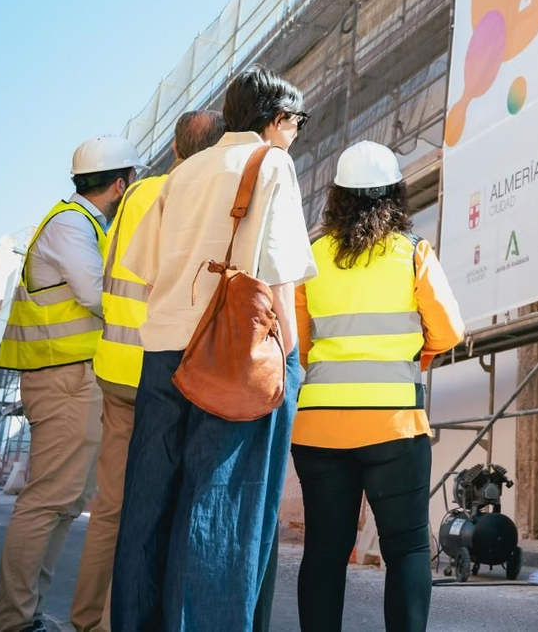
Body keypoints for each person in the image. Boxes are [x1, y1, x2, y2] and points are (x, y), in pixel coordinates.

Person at [111, 66, 317, 631]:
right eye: (296, 120)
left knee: (150, 504)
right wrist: (291, 362)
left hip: (163, 352)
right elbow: (278, 277)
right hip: (233, 353)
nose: (297, 131)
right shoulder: (272, 162)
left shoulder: (183, 171)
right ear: (276, 118)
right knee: (222, 505)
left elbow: (146, 268)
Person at [291, 140, 464, 632]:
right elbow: (449, 331)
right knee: (406, 547)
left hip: (320, 430)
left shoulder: (311, 257)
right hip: (394, 427)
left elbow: (300, 345)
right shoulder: (413, 255)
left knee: (324, 549)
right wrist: (413, 357)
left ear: (337, 197)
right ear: (394, 194)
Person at [69, 110, 225, 632]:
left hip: (115, 367)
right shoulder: (194, 196)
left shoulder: (136, 194)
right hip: (162, 372)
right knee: (163, 505)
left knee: (112, 506)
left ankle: (89, 619)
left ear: (176, 149)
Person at [0, 134, 141, 632]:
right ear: (121, 184)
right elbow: (99, 296)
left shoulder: (76, 223)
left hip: (68, 376)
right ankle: (14, 622)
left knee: (62, 502)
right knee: (49, 500)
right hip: (65, 379)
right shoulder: (74, 226)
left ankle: (24, 617)